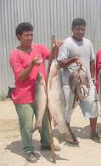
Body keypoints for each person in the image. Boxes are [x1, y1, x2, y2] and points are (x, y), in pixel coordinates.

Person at [9, 22, 60, 163]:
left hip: (41, 93)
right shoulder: (15, 55)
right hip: (24, 96)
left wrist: (56, 47)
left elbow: (52, 57)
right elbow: (21, 77)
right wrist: (32, 64)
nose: (30, 37)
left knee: (44, 119)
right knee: (26, 125)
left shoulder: (38, 48)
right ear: (19, 36)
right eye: (26, 35)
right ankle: (27, 149)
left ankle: (45, 143)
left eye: (31, 34)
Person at [57, 18, 101, 144]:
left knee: (93, 108)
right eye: (77, 29)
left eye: (83, 29)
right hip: (71, 84)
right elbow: (60, 63)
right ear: (72, 29)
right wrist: (73, 59)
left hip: (87, 83)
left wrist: (92, 77)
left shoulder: (88, 43)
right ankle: (68, 133)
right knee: (68, 110)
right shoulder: (67, 43)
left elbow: (92, 60)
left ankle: (93, 132)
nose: (80, 32)